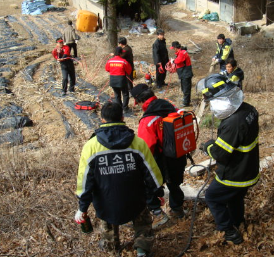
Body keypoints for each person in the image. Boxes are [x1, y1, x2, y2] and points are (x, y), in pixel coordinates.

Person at [75, 102, 164, 257]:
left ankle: (111, 248)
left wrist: (82, 208)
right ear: (123, 118)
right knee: (143, 223)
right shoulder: (137, 142)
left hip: (106, 201)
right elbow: (151, 172)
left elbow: (84, 181)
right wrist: (158, 192)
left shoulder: (91, 146)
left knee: (108, 226)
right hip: (136, 199)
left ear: (102, 119)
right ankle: (142, 249)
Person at [197, 74, 259, 245]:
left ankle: (228, 231)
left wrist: (208, 146)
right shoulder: (248, 109)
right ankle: (238, 221)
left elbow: (221, 154)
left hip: (235, 174)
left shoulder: (233, 123)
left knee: (212, 197)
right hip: (249, 168)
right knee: (235, 198)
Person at [131, 84, 188, 228]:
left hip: (162, 160)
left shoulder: (147, 120)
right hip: (179, 155)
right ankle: (178, 210)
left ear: (138, 101)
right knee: (174, 184)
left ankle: (158, 214)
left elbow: (146, 148)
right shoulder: (169, 105)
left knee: (147, 186)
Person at [105, 47, 132, 112]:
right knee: (125, 94)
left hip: (113, 80)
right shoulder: (124, 61)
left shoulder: (110, 61)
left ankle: (119, 108)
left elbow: (107, 69)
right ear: (120, 53)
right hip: (121, 80)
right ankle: (125, 108)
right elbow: (129, 70)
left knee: (117, 94)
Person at [170, 41, 193, 107]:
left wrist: (173, 61)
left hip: (186, 73)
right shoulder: (181, 52)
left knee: (186, 89)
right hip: (183, 73)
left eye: (173, 48)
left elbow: (178, 61)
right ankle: (186, 100)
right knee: (184, 88)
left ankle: (186, 103)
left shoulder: (182, 53)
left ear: (175, 48)